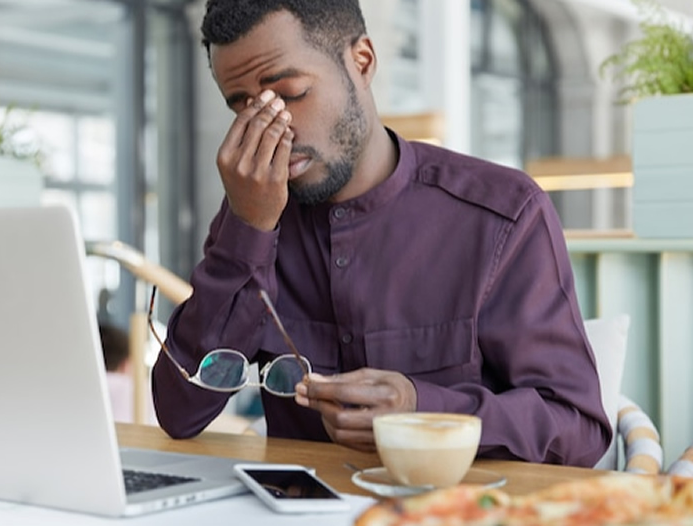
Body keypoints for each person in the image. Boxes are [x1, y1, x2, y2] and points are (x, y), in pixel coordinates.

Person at [151, 0, 611, 466]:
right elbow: (179, 410)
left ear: (362, 62)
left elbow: (579, 429)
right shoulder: (255, 212)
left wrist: (423, 409)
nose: (272, 132)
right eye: (244, 108)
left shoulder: (502, 213)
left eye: (288, 94)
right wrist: (248, 230)